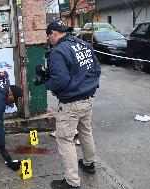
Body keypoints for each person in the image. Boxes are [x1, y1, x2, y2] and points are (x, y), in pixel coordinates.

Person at [44, 20, 101, 189]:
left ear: (54, 33)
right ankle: (89, 163)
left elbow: (60, 81)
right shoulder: (83, 44)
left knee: (65, 139)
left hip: (71, 103)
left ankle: (72, 182)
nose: (49, 40)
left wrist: (47, 82)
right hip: (88, 98)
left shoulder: (58, 52)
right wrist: (85, 85)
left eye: (49, 37)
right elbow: (97, 69)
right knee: (85, 131)